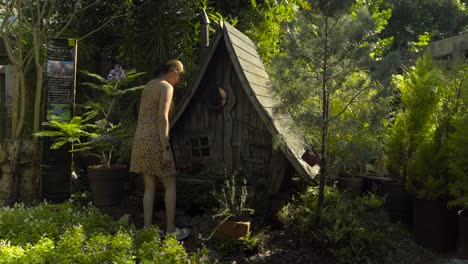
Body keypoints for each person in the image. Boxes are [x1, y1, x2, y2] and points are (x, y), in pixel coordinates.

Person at [130, 59, 190, 240]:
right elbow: (162, 118)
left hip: (140, 138)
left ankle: (148, 230)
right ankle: (171, 230)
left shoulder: (148, 85)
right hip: (156, 139)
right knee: (170, 185)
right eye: (180, 75)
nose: (179, 81)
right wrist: (165, 147)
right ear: (172, 71)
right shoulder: (166, 87)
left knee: (149, 187)